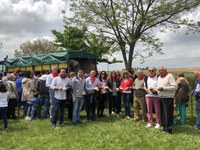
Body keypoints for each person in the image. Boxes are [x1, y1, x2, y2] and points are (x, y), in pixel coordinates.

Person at [157, 66, 177, 134]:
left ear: (165, 70)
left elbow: (174, 87)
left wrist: (164, 88)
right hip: (160, 97)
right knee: (162, 114)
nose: (160, 72)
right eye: (159, 70)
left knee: (168, 114)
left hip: (168, 98)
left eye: (162, 70)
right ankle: (164, 128)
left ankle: (168, 129)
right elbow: (159, 86)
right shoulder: (159, 77)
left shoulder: (170, 76)